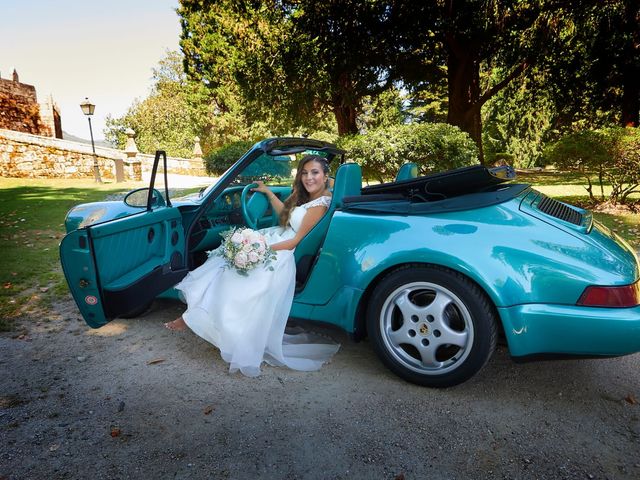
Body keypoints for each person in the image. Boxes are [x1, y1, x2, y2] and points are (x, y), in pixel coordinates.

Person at [164, 155, 340, 377]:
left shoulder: (320, 205)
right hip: (278, 236)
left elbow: (295, 241)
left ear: (326, 175)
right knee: (222, 262)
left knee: (232, 272)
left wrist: (259, 250)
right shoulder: (305, 195)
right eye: (304, 173)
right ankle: (196, 318)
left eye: (315, 172)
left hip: (284, 251)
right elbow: (286, 215)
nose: (308, 178)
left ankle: (197, 321)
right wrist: (267, 193)